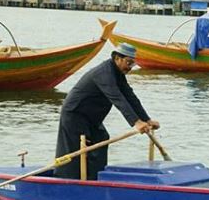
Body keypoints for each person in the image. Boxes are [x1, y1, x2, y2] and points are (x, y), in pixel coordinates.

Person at [54, 42, 159, 180]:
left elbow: (130, 97)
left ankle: (96, 178)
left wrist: (146, 119)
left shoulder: (118, 74)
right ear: (117, 58)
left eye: (132, 64)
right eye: (128, 63)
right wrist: (136, 122)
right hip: (75, 114)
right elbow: (117, 98)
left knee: (101, 138)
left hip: (91, 117)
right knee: (77, 150)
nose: (130, 67)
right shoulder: (104, 73)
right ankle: (68, 181)